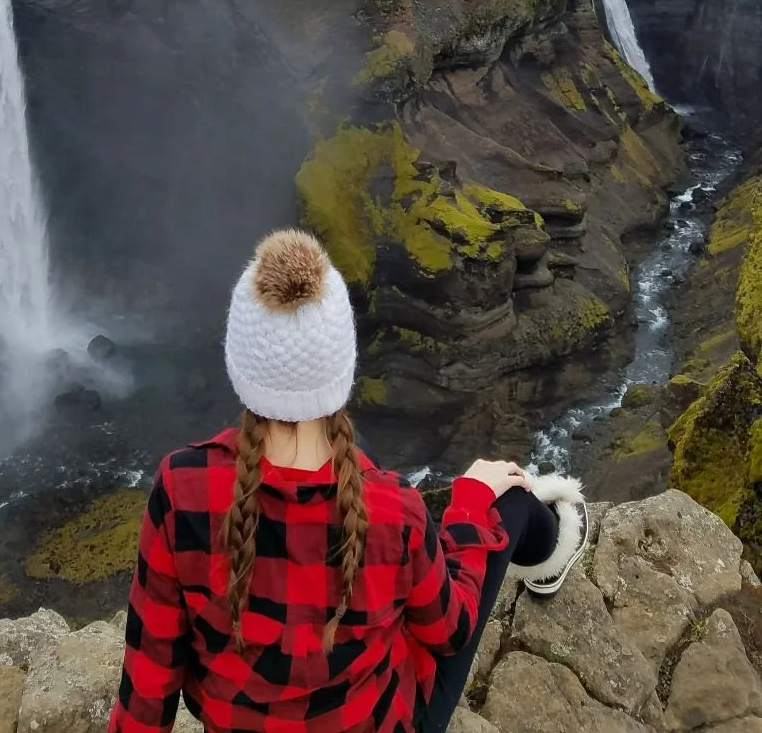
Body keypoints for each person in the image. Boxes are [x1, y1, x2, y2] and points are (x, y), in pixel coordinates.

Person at [109, 230, 588, 733]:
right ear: (343, 366)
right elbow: (452, 630)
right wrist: (468, 509)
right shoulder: (392, 507)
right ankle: (552, 554)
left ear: (239, 364)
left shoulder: (180, 490)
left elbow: (145, 703)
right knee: (505, 499)